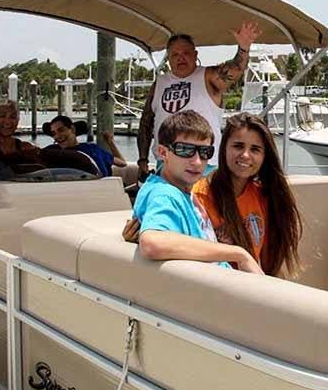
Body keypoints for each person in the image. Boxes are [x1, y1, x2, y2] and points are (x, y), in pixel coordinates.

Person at [124, 112, 303, 277]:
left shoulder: (262, 194)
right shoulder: (170, 194)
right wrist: (238, 253)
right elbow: (154, 242)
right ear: (163, 153)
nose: (196, 161)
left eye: (204, 152)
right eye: (185, 150)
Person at [137, 22, 262, 179]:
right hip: (167, 165)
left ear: (195, 55)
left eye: (186, 53)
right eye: (175, 55)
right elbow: (146, 122)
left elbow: (235, 69)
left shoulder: (209, 77)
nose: (180, 58)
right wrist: (142, 159)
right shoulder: (159, 83)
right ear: (168, 58)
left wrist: (243, 48)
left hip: (205, 165)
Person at [44, 115, 127, 176]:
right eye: (54, 133)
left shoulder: (93, 149)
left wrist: (110, 142)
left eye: (61, 130)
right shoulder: (49, 152)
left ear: (72, 129)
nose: (57, 136)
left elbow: (122, 163)